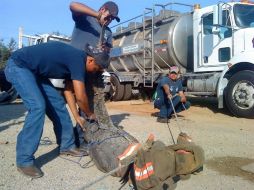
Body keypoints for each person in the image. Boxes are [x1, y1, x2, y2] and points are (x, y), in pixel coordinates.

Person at [4, 41, 109, 178]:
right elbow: (80, 96)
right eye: (96, 68)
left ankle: (67, 145)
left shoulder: (77, 61)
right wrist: (89, 114)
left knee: (58, 105)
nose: (94, 72)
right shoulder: (78, 59)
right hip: (18, 66)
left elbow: (68, 91)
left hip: (36, 73)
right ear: (90, 60)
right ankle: (24, 160)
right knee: (37, 106)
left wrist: (77, 116)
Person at [69, 1, 120, 149]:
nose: (109, 20)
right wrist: (96, 15)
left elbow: (108, 51)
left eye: (112, 19)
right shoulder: (85, 19)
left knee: (90, 103)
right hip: (74, 67)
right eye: (109, 16)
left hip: (92, 71)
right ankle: (73, 139)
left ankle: (82, 136)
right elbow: (73, 5)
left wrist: (105, 49)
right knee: (73, 101)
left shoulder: (108, 32)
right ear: (103, 10)